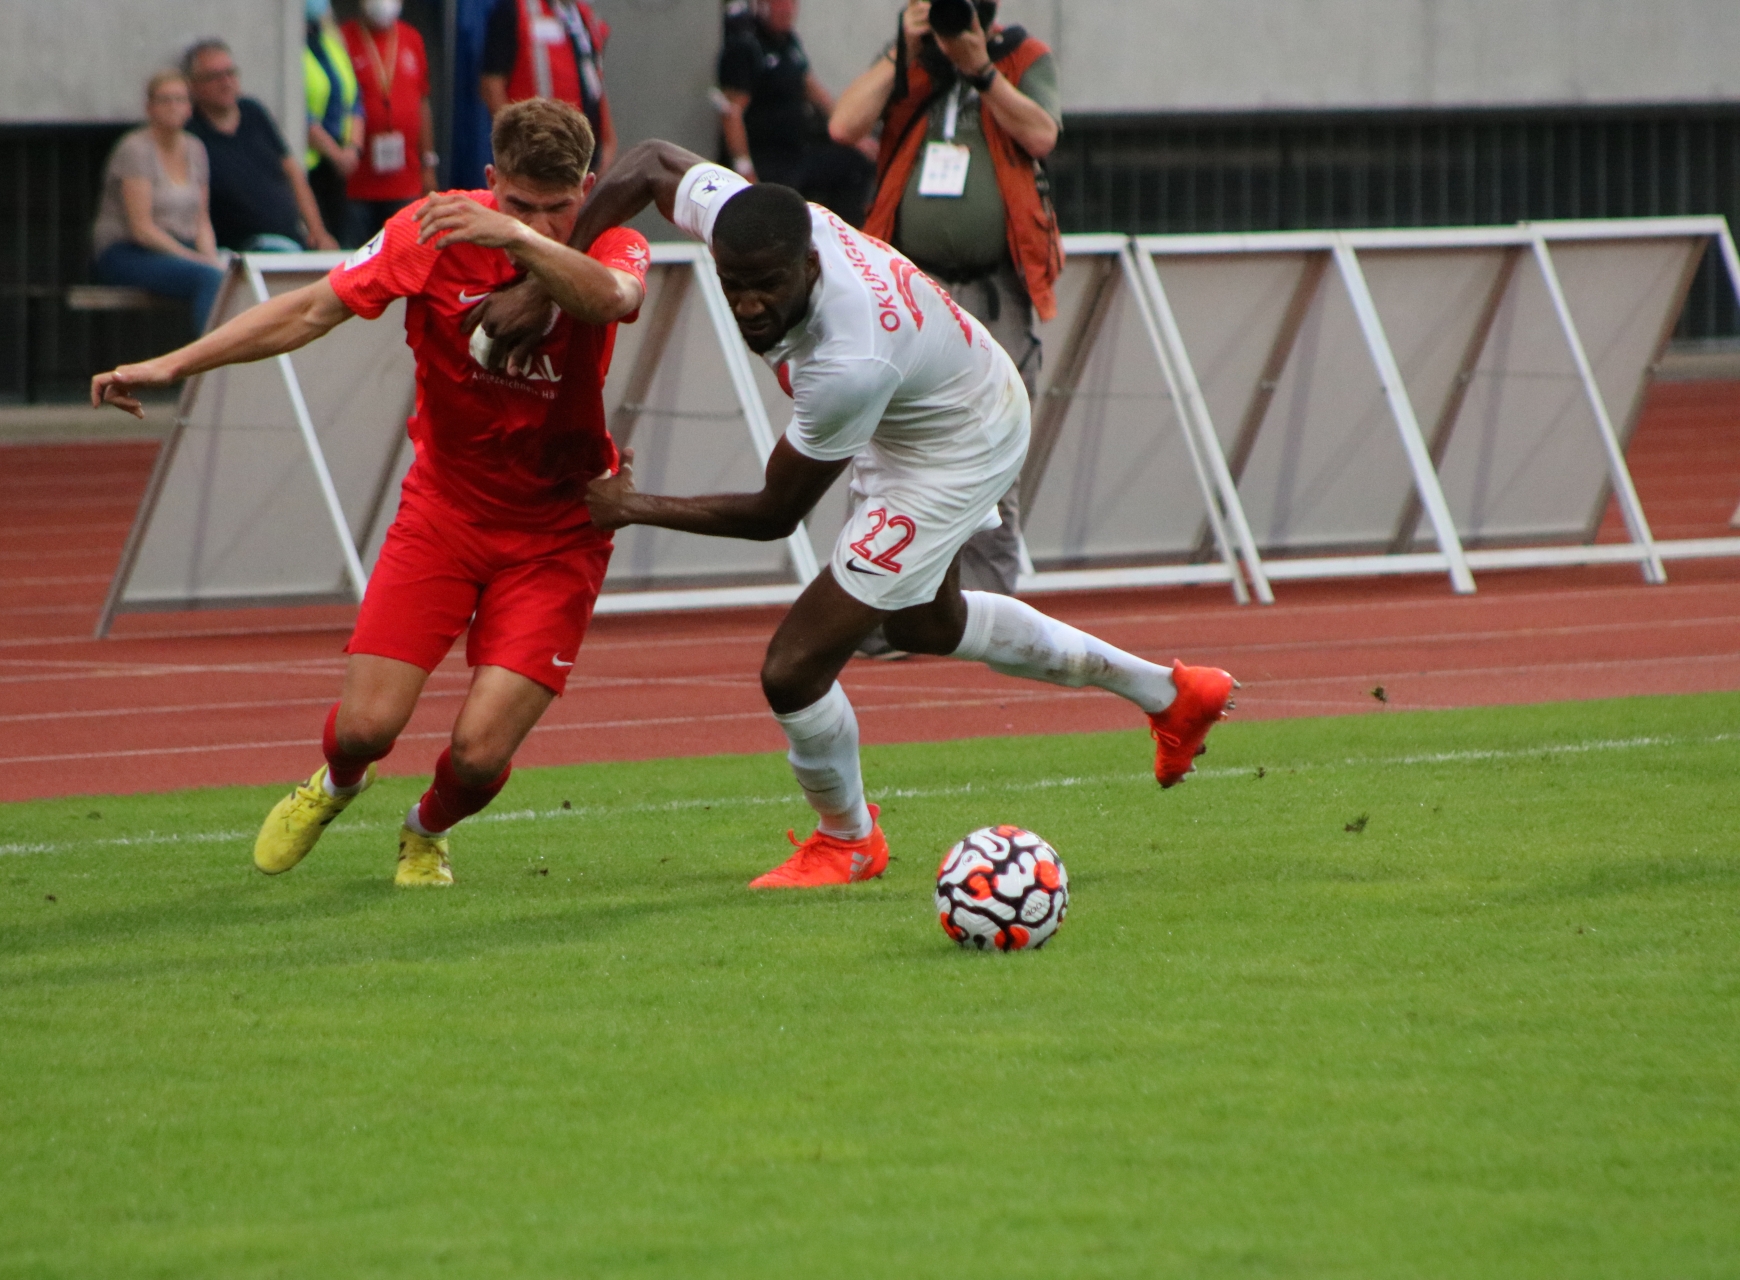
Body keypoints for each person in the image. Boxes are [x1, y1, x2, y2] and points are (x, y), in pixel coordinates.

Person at [437, 140, 1235, 888]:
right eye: (734, 284)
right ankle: (1172, 696)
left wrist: (631, 506)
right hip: (931, 399)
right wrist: (544, 283)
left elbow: (774, 513)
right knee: (925, 622)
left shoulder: (847, 362)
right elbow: (648, 163)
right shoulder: (750, 219)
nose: (750, 305)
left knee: (793, 667)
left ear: (811, 264)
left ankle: (848, 840)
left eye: (768, 286)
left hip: (958, 446)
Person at [89, 99, 650, 887]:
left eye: (558, 208)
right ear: (490, 180)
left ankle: (426, 831)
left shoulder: (610, 241)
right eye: (519, 204)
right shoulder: (433, 228)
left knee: (479, 752)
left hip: (559, 528)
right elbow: (310, 310)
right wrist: (173, 365)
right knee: (365, 727)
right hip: (445, 511)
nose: (539, 221)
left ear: (586, 191)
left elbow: (614, 299)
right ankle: (336, 784)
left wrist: (519, 238)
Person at [830, 0, 1062, 613]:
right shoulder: (909, 61)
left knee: (996, 443)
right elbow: (843, 127)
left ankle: (986, 612)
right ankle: (874, 607)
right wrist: (901, 51)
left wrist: (982, 69)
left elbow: (1042, 134)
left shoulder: (1021, 56)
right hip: (910, 290)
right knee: (886, 446)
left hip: (994, 290)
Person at [91, 70, 227, 334]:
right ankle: (212, 355)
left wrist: (210, 257)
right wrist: (197, 261)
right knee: (209, 277)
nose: (173, 107)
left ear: (190, 107)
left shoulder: (196, 149)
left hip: (180, 247)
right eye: (165, 100)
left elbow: (201, 220)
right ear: (150, 107)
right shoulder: (135, 149)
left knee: (233, 274)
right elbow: (141, 229)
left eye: (180, 99)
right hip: (128, 251)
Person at [715, 0, 874, 226]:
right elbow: (731, 113)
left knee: (856, 165)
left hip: (798, 151)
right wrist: (745, 169)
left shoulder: (788, 41)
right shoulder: (745, 47)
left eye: (791, 3)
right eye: (779, 4)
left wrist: (851, 135)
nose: (787, 9)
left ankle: (842, 234)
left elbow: (812, 89)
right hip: (767, 160)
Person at [183, 38, 338, 252]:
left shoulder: (253, 112)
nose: (226, 82)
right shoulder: (190, 133)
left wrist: (318, 231)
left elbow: (293, 173)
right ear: (193, 85)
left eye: (230, 73)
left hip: (290, 238)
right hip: (240, 246)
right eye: (214, 77)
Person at [480, 0, 619, 174]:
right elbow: (491, 87)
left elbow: (594, 83)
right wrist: (518, 149)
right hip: (534, 159)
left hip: (583, 159)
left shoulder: (582, 15)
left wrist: (607, 144)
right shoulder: (514, 8)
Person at [342, 0, 440, 247]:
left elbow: (421, 103)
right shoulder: (343, 39)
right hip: (357, 183)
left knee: (404, 252)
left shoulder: (411, 38)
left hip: (405, 179)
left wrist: (428, 162)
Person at [305, 0, 366, 247]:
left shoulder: (331, 43)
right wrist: (335, 154)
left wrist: (353, 149)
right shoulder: (293, 50)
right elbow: (301, 114)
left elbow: (354, 100)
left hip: (339, 165)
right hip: (311, 164)